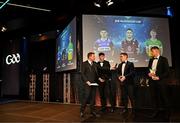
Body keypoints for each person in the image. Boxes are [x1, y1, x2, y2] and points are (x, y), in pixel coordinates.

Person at [147, 46, 170, 118]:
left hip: (161, 82)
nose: (151, 53)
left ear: (157, 51)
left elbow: (167, 72)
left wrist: (159, 77)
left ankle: (167, 113)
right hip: (152, 82)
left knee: (164, 97)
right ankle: (155, 111)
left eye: (152, 51)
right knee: (154, 97)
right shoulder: (151, 60)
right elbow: (149, 69)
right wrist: (149, 74)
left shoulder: (164, 59)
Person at [80, 52, 99, 118]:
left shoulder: (95, 64)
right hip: (87, 83)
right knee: (86, 97)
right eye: (93, 56)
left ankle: (92, 111)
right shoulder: (84, 63)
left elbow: (98, 72)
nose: (94, 57)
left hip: (94, 83)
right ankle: (82, 111)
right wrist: (86, 81)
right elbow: (82, 74)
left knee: (93, 99)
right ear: (90, 57)